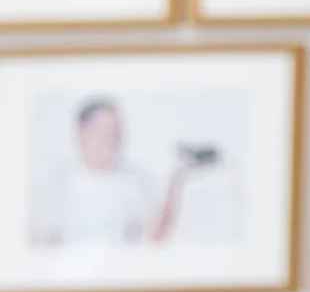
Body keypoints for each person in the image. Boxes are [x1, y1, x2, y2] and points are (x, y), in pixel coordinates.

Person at [32, 96, 207, 246]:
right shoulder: (58, 182)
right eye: (105, 132)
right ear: (82, 132)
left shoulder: (133, 180)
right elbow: (40, 240)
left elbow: (154, 236)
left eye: (117, 132)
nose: (113, 140)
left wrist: (175, 182)